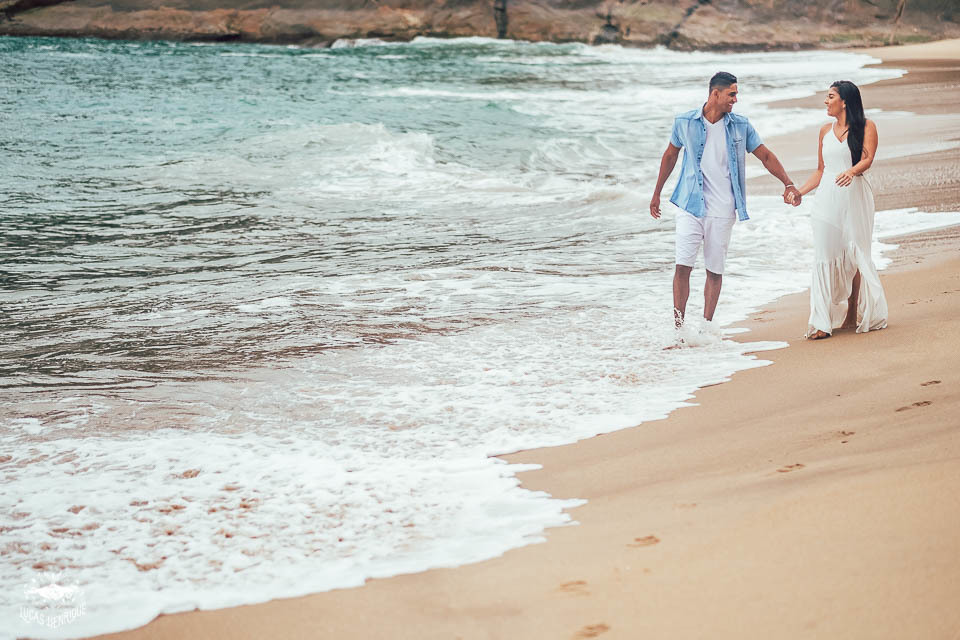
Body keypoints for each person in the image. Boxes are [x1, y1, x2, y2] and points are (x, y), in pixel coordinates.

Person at [650, 71, 801, 329]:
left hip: (723, 208)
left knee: (714, 270)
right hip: (690, 205)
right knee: (682, 266)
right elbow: (670, 156)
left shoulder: (740, 125)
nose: (735, 99)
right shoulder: (684, 122)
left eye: (736, 94)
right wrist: (656, 194)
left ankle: (706, 328)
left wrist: (787, 183)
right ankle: (679, 330)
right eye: (732, 94)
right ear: (715, 94)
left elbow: (765, 155)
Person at [791, 80, 888, 339]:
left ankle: (852, 312)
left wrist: (851, 171)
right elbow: (821, 171)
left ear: (844, 101)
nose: (826, 101)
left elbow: (867, 158)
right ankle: (821, 322)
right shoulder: (824, 131)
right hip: (826, 198)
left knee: (854, 252)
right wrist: (799, 192)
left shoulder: (867, 126)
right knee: (823, 254)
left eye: (830, 96)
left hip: (855, 196)